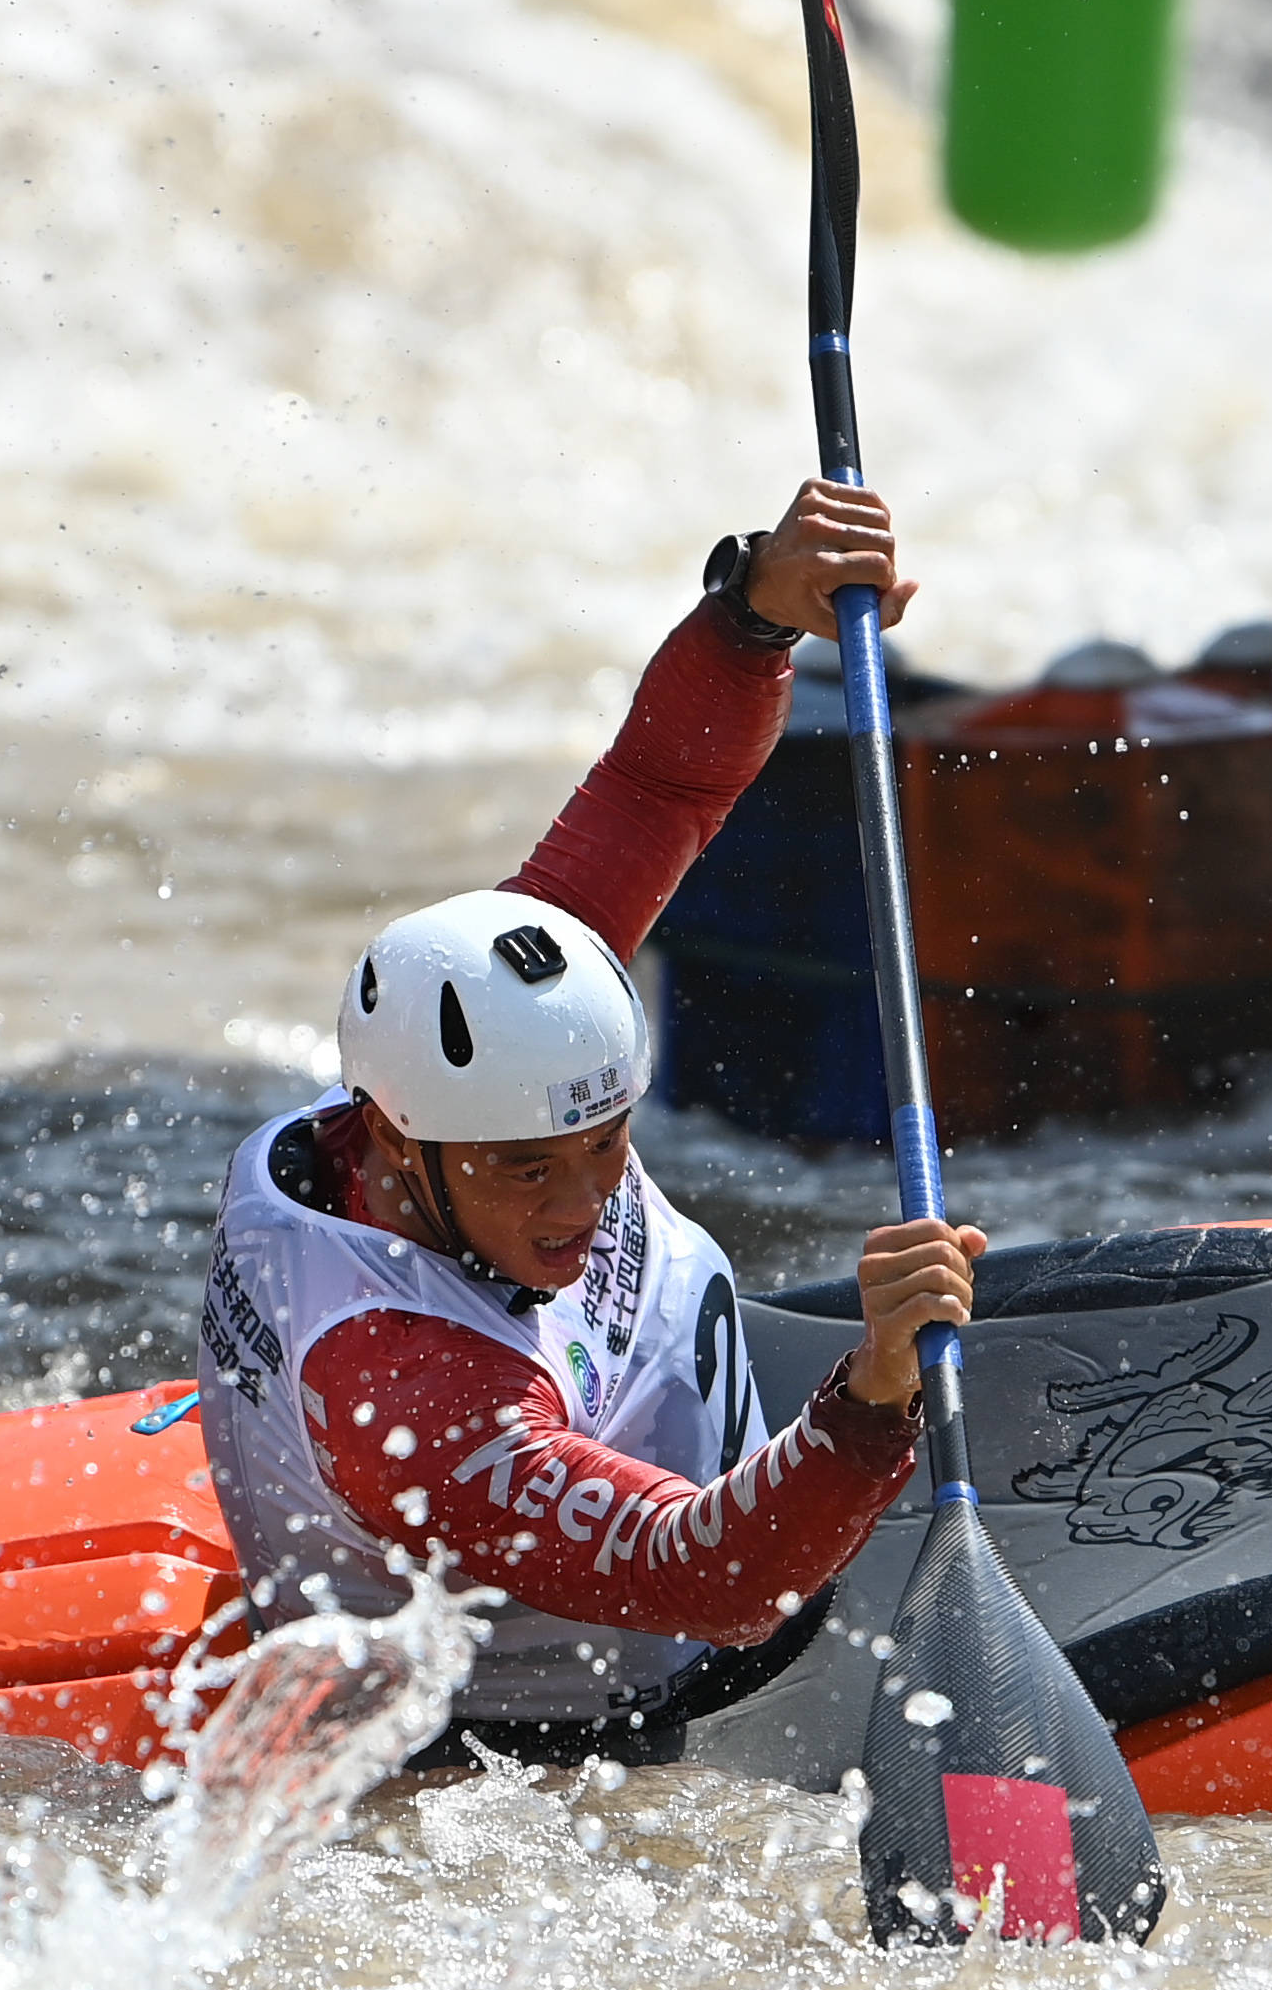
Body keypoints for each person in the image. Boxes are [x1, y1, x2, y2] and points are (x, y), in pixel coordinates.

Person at [196, 481, 986, 1760]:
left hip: (682, 1486)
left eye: (606, 1141)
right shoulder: (411, 1397)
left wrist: (749, 614)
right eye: (526, 1171)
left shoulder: (490, 1053)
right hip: (589, 1728)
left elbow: (660, 787)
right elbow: (716, 1576)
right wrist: (875, 1391)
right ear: (401, 1141)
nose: (578, 1202)